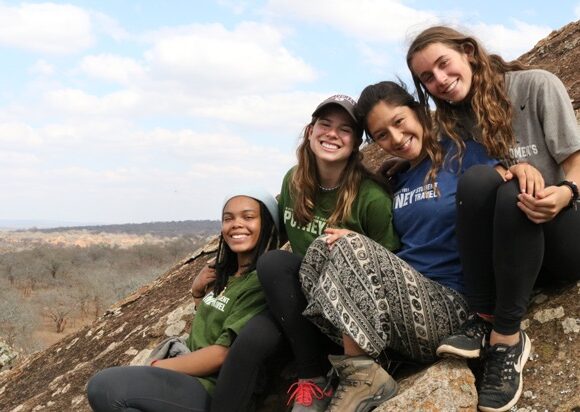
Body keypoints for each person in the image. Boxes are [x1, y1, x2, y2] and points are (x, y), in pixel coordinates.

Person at [406, 25, 580, 412]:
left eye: (443, 64)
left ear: (468, 52)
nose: (440, 80)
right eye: (427, 78)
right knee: (479, 180)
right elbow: (420, 151)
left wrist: (565, 193)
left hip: (563, 235)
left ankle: (507, 338)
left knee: (510, 190)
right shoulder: (453, 123)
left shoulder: (536, 86)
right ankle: (483, 313)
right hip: (512, 253)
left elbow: (576, 160)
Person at [298, 81, 500, 412]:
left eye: (399, 121)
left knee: (350, 246)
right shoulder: (399, 176)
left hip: (453, 306)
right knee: (320, 250)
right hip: (407, 304)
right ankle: (370, 365)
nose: (394, 138)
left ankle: (361, 378)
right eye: (380, 134)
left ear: (419, 112)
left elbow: (502, 198)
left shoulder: (465, 154)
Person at [212, 94, 399, 412]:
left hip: (351, 318)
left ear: (356, 143)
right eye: (324, 124)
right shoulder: (294, 181)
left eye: (344, 129)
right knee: (252, 339)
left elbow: (391, 266)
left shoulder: (371, 197)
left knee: (273, 264)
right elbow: (270, 237)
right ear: (310, 131)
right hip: (304, 308)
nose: (332, 134)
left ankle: (312, 378)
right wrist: (222, 270)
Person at [86, 188, 280, 412]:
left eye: (248, 217)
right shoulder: (226, 277)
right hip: (191, 379)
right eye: (228, 218)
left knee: (105, 387)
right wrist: (198, 295)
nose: (236, 224)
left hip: (212, 388)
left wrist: (158, 366)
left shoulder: (257, 282)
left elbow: (223, 353)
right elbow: (212, 327)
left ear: (266, 224)